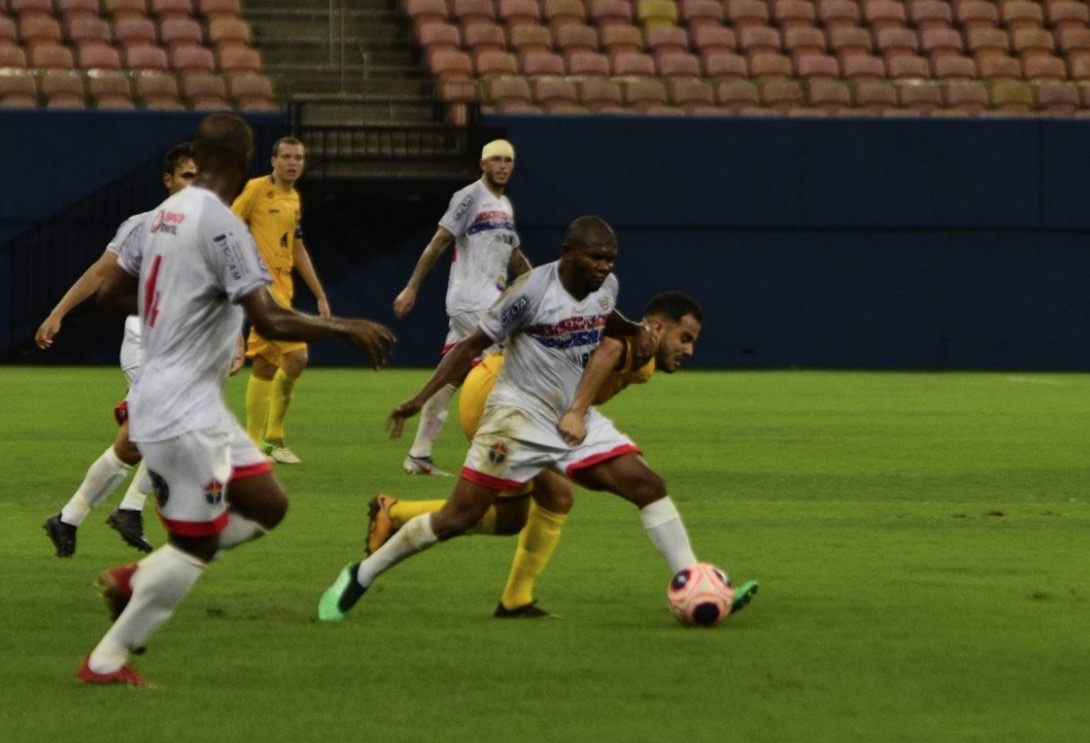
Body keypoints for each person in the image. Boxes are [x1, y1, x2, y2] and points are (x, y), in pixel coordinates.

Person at [79, 113, 395, 686]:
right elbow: (269, 318)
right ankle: (107, 658)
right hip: (180, 411)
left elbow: (109, 295)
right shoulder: (224, 227)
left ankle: (141, 578)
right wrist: (347, 327)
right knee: (194, 546)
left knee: (268, 505)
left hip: (189, 401)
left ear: (198, 158)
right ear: (247, 164)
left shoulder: (162, 215)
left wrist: (177, 304)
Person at [318, 217, 756, 622]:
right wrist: (419, 399)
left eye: (610, 259)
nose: (604, 266)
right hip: (515, 417)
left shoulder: (608, 285)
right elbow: (469, 347)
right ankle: (361, 574)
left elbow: (605, 319)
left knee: (648, 485)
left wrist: (631, 330)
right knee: (457, 518)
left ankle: (692, 582)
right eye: (596, 257)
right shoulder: (528, 292)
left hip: (568, 416)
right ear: (569, 253)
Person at [37, 143, 198, 557]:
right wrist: (58, 313)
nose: (194, 184)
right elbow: (99, 273)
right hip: (145, 342)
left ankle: (71, 517)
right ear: (168, 180)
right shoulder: (142, 226)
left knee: (137, 442)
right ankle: (127, 509)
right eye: (187, 176)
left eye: (200, 177)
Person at [392, 138, 532, 476]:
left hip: (485, 301)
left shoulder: (505, 205)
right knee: (509, 366)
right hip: (472, 301)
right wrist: (412, 286)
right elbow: (439, 241)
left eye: (508, 160)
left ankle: (419, 455)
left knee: (450, 377)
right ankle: (497, 454)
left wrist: (540, 284)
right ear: (483, 164)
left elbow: (514, 257)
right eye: (496, 159)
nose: (502, 165)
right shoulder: (469, 196)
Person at [233, 136, 329, 465]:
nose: (292, 163)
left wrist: (319, 293)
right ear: (273, 160)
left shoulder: (294, 198)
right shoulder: (255, 189)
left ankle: (257, 444)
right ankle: (270, 439)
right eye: (286, 157)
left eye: (298, 158)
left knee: (266, 365)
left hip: (285, 290)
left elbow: (297, 248)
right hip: (263, 291)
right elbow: (229, 227)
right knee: (298, 356)